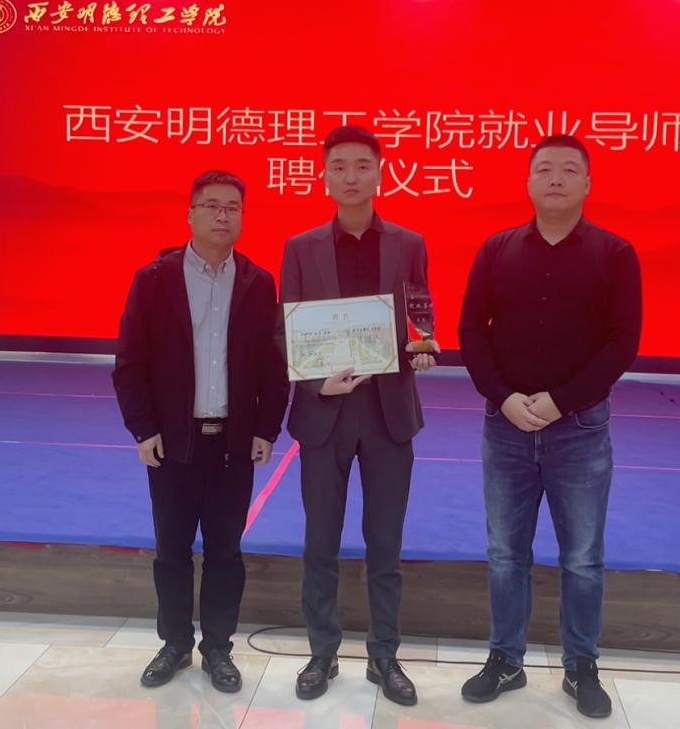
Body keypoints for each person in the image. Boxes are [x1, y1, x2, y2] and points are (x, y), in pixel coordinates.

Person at [457, 134, 642, 719]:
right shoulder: (496, 249)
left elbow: (623, 343)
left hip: (579, 428)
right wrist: (504, 397)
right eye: (544, 169)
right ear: (528, 181)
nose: (555, 178)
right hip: (505, 426)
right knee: (504, 553)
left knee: (582, 556)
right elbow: (471, 331)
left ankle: (580, 665)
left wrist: (561, 402)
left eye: (568, 169)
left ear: (588, 183)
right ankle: (505, 659)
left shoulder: (615, 254)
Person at [112, 170, 289, 693]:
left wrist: (266, 428)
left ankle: (218, 649)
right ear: (189, 214)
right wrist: (143, 428)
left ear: (242, 217)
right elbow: (130, 361)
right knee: (171, 550)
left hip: (233, 443)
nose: (222, 215)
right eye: (211, 206)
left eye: (232, 207)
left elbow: (272, 366)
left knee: (225, 552)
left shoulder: (258, 283)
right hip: (172, 442)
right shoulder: (154, 279)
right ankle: (174, 644)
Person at [278, 125, 437, 707]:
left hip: (389, 413)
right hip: (324, 413)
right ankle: (322, 653)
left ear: (380, 173)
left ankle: (384, 656)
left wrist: (423, 346)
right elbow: (286, 330)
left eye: (362, 165)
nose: (351, 176)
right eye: (339, 165)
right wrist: (315, 381)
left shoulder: (409, 243)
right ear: (324, 175)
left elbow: (420, 313)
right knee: (320, 542)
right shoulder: (300, 247)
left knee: (385, 545)